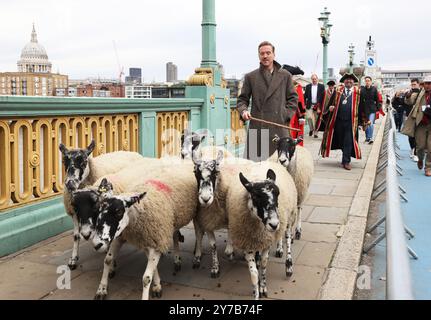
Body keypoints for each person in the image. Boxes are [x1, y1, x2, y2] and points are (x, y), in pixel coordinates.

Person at [237, 41, 298, 161]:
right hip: (258, 128)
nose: (265, 56)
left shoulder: (285, 75)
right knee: (254, 170)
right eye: (262, 53)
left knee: (280, 169)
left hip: (279, 127)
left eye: (268, 53)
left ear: (274, 54)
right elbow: (242, 100)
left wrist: (285, 115)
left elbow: (293, 99)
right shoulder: (251, 77)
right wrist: (243, 111)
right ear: (259, 55)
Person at [320, 73, 367, 170]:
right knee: (341, 140)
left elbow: (362, 107)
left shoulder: (358, 92)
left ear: (353, 82)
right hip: (338, 121)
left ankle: (346, 161)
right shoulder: (338, 91)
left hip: (351, 122)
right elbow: (330, 104)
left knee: (348, 141)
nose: (349, 81)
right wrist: (330, 108)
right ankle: (344, 157)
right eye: (347, 80)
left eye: (350, 80)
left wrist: (364, 121)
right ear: (344, 81)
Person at [404, 76, 431, 176]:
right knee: (420, 147)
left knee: (430, 147)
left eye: (430, 83)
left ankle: (428, 167)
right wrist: (407, 95)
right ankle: (420, 158)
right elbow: (409, 101)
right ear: (423, 84)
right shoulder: (419, 93)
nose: (428, 85)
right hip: (421, 124)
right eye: (426, 83)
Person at [359, 76, 381, 144]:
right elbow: (360, 100)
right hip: (364, 109)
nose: (367, 82)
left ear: (371, 82)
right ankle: (367, 137)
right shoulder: (362, 90)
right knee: (366, 124)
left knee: (370, 123)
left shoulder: (374, 89)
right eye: (366, 81)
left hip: (372, 109)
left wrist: (377, 108)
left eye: (368, 80)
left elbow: (377, 99)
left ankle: (370, 138)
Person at [404, 78, 421, 162]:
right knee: (410, 135)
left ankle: (416, 152)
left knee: (418, 135)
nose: (413, 86)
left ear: (418, 84)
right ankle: (413, 148)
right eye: (412, 84)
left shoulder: (422, 92)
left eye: (415, 84)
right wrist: (407, 96)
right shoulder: (409, 92)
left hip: (420, 116)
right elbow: (407, 102)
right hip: (409, 116)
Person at [304, 74, 325, 138]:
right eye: (313, 79)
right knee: (309, 117)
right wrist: (304, 104)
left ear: (317, 79)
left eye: (315, 79)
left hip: (318, 105)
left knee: (317, 119)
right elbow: (305, 96)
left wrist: (320, 107)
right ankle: (311, 129)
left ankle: (316, 132)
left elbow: (323, 97)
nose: (314, 80)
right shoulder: (308, 86)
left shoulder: (321, 86)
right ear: (311, 80)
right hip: (310, 105)